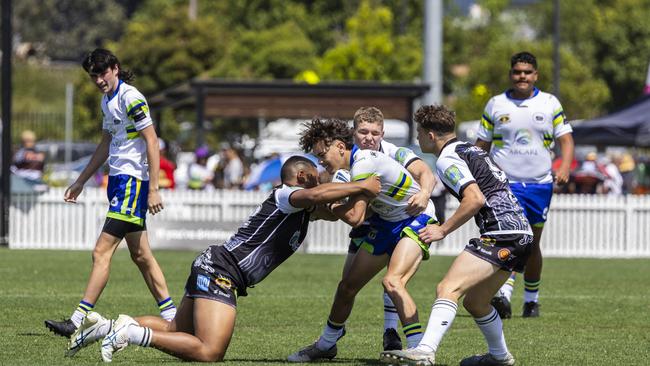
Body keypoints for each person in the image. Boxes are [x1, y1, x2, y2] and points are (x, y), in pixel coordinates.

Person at [64, 156, 381, 362]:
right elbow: (316, 196)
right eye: (315, 175)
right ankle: (131, 333)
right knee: (210, 351)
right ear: (301, 176)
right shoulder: (287, 195)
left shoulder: (303, 208)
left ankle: (104, 327)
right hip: (221, 270)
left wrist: (365, 190)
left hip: (214, 263)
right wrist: (361, 184)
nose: (320, 180)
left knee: (176, 330)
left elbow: (346, 214)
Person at [381, 104, 533, 366]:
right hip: (522, 234)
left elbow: (474, 199)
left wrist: (442, 229)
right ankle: (500, 357)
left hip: (502, 234)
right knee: (476, 302)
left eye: (419, 133)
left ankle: (425, 350)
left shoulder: (448, 158)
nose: (417, 139)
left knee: (447, 288)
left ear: (430, 135)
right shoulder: (471, 149)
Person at [44, 48, 176, 338]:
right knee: (141, 255)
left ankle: (76, 321)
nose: (99, 80)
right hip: (118, 182)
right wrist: (80, 181)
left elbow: (152, 142)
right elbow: (105, 143)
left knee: (100, 251)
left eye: (102, 73)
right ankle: (175, 318)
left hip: (132, 184)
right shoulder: (107, 101)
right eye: (94, 76)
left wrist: (153, 189)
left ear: (115, 68)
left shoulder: (131, 97)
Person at [288, 118, 437, 362]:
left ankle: (419, 349)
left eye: (322, 154)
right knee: (347, 286)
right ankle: (326, 344)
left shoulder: (364, 163)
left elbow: (355, 217)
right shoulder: (345, 173)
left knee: (393, 281)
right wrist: (318, 203)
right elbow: (338, 213)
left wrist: (328, 201)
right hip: (386, 223)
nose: (321, 161)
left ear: (339, 146)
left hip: (416, 218)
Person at [475, 51, 574, 318]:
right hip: (504, 184)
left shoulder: (550, 103)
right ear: (511, 74)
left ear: (535, 75)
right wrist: (473, 173)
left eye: (527, 72)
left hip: (540, 184)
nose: (522, 77)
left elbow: (566, 140)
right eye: (518, 72)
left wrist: (564, 166)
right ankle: (503, 296)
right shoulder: (495, 104)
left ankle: (531, 300)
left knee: (532, 244)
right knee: (510, 238)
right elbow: (481, 146)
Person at [337, 106, 436, 351]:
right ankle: (332, 335)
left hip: (407, 217)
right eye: (363, 132)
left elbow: (426, 173)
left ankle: (391, 332)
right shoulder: (348, 160)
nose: (369, 138)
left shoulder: (395, 152)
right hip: (374, 220)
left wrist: (424, 193)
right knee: (347, 284)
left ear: (382, 134)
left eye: (374, 133)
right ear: (353, 133)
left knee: (394, 279)